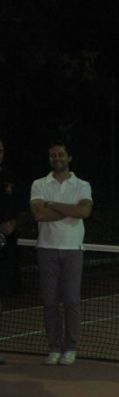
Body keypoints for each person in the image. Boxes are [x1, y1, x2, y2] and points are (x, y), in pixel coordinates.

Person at [30, 140, 93, 366]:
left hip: (73, 250)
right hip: (46, 250)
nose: (57, 158)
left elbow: (84, 211)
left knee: (71, 301)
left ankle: (71, 348)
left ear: (69, 157)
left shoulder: (82, 185)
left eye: (60, 154)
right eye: (53, 155)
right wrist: (70, 211)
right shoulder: (38, 184)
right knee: (49, 302)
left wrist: (51, 204)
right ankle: (54, 348)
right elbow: (38, 215)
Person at [0, 137, 20, 365]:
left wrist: (13, 223)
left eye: (1, 150)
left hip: (5, 248)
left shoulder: (10, 176)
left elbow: (21, 208)